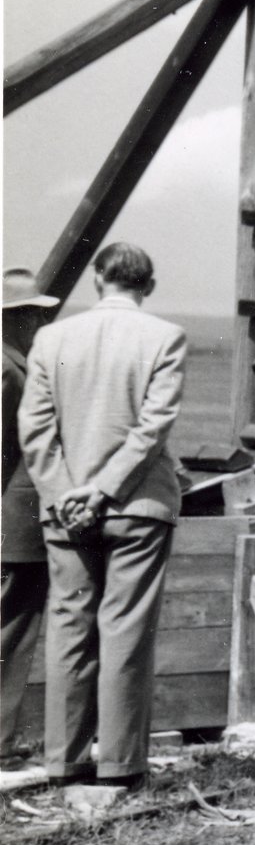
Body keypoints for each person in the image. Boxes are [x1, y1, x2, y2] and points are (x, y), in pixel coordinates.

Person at [18, 244, 187, 807]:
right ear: (150, 284)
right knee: (125, 632)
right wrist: (106, 490)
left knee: (68, 630)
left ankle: (63, 764)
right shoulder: (164, 337)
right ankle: (117, 769)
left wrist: (68, 494)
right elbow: (151, 429)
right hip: (137, 507)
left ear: (96, 280)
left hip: (64, 509)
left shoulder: (51, 338)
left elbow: (35, 430)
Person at [2, 269, 61, 765]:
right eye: (38, 313)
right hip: (13, 528)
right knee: (11, 636)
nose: (44, 321)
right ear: (20, 317)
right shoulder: (8, 369)